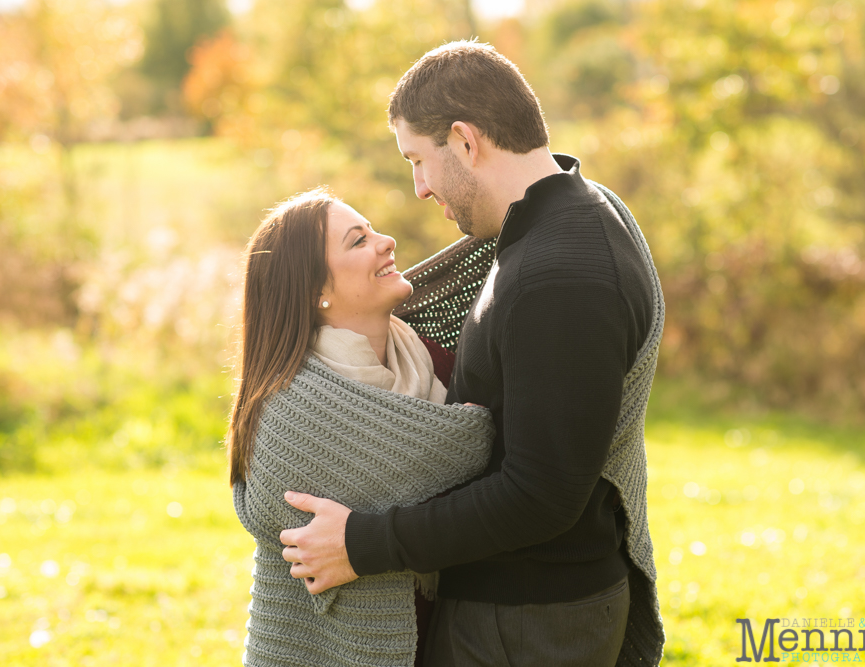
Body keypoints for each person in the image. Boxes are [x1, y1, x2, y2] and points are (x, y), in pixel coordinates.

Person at [280, 41, 667, 666]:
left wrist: (363, 543)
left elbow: (540, 496)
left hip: (528, 624)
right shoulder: (552, 222)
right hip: (522, 613)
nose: (419, 189)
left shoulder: (560, 274)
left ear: (465, 141)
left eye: (418, 160)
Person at [228, 189, 498, 666]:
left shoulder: (437, 359)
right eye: (359, 241)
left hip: (459, 633)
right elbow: (474, 449)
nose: (387, 241)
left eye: (374, 230)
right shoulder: (292, 410)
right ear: (316, 291)